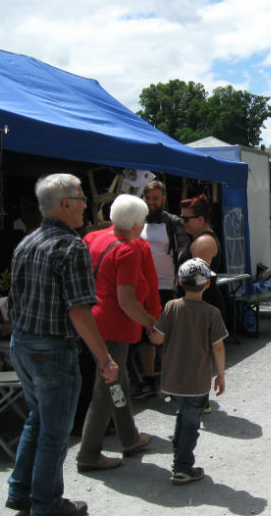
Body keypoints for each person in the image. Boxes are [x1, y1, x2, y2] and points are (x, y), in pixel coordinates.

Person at [6, 173, 118, 516]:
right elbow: (81, 313)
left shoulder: (27, 241)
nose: (87, 205)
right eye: (82, 198)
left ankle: (21, 492)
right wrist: (105, 358)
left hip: (23, 343)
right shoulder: (70, 246)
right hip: (51, 350)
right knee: (54, 433)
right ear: (66, 203)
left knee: (38, 420)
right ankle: (46, 504)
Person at [75, 194, 157, 472]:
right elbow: (127, 300)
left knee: (118, 382)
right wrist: (150, 323)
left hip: (96, 321)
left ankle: (129, 438)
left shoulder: (95, 238)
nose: (144, 225)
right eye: (143, 220)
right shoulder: (129, 249)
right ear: (134, 222)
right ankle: (88, 454)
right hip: (114, 327)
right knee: (106, 388)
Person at [149, 258, 228, 485]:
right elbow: (218, 346)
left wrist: (150, 332)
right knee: (191, 423)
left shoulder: (171, 307)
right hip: (197, 381)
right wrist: (220, 375)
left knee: (182, 417)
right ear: (207, 285)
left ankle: (178, 460)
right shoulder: (211, 313)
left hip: (172, 380)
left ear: (181, 284)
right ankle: (183, 467)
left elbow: (158, 338)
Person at [133, 180, 190, 400]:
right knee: (144, 336)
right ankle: (148, 381)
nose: (151, 202)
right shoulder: (138, 221)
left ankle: (171, 381)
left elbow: (183, 254)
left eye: (155, 198)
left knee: (165, 336)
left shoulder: (173, 222)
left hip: (166, 285)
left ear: (163, 198)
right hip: (143, 286)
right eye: (148, 198)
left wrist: (182, 284)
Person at [178, 195, 226, 326]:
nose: (183, 222)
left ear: (200, 219)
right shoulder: (199, 239)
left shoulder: (204, 242)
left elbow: (196, 282)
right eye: (181, 218)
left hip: (201, 308)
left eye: (186, 219)